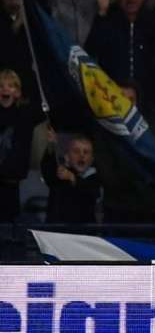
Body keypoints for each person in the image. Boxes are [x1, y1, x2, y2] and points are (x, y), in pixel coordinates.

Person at [84, 0, 155, 103]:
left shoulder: (153, 22)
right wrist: (102, 12)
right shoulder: (107, 21)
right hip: (111, 97)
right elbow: (90, 51)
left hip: (147, 100)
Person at [0, 69, 44, 222]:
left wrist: (34, 73)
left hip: (11, 183)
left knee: (9, 226)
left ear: (18, 92)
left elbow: (42, 104)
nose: (5, 89)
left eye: (11, 86)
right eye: (1, 86)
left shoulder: (25, 116)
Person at [41, 129, 100, 224]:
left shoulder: (95, 176)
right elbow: (48, 173)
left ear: (92, 159)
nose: (81, 156)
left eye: (86, 152)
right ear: (67, 157)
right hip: (57, 230)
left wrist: (72, 178)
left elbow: (91, 191)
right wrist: (51, 146)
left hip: (84, 232)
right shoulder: (62, 173)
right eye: (76, 151)